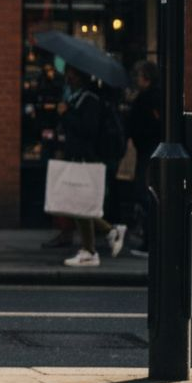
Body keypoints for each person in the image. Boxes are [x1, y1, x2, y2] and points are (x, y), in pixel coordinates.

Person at [56, 65, 125, 267]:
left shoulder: (90, 99)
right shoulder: (78, 97)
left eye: (71, 73)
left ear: (80, 76)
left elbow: (88, 130)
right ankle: (94, 245)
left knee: (79, 203)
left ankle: (99, 241)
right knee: (76, 203)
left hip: (85, 157)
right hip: (77, 156)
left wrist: (66, 113)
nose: (67, 76)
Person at [125, 60, 162, 257]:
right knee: (145, 195)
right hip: (145, 150)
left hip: (149, 151)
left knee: (146, 195)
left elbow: (153, 125)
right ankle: (148, 240)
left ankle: (150, 243)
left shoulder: (152, 97)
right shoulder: (146, 96)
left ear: (146, 78)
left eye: (138, 76)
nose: (136, 80)